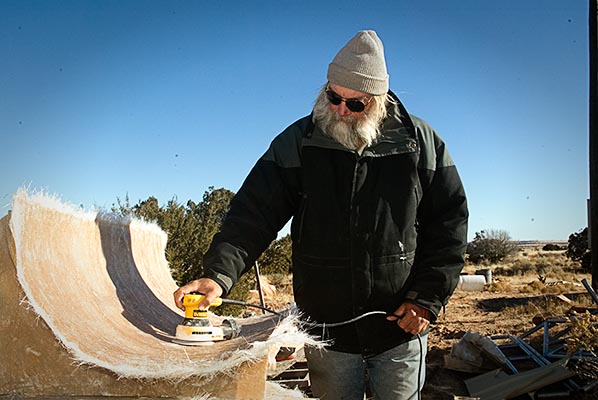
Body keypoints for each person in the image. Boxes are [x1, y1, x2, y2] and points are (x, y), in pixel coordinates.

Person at [174, 30, 468, 400]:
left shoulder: (420, 144)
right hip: (326, 332)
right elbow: (252, 215)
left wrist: (427, 298)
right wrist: (218, 276)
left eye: (355, 104)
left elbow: (449, 224)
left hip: (400, 330)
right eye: (333, 97)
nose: (341, 111)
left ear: (377, 100)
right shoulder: (299, 142)